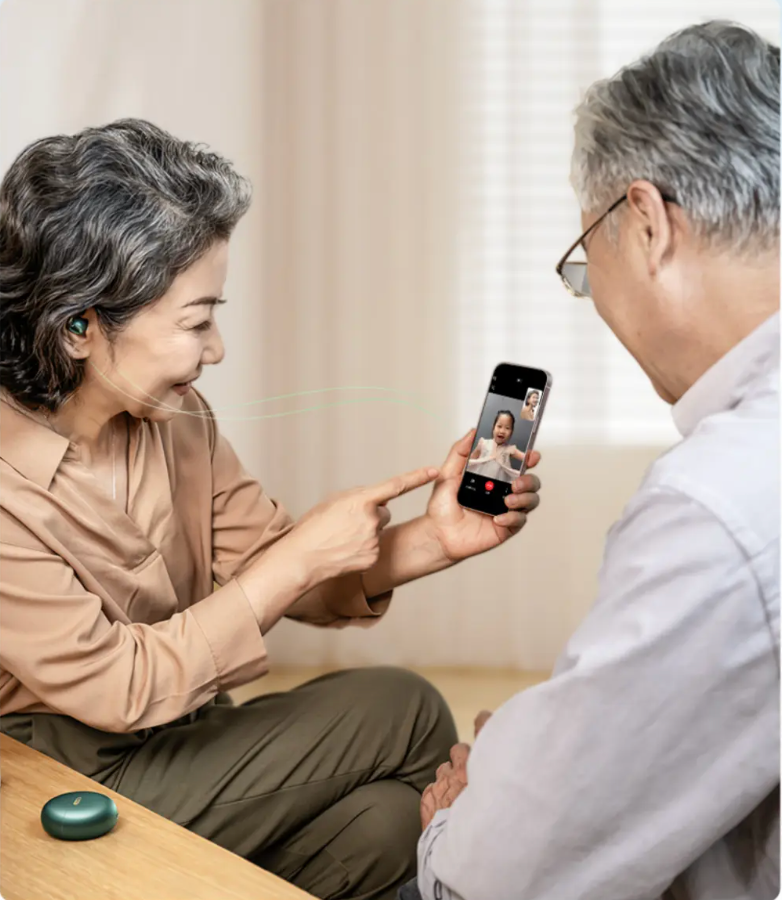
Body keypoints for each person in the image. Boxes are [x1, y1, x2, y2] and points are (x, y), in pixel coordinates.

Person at [0, 119, 544, 900]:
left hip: (179, 744)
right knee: (409, 708)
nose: (216, 349)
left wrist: (438, 537)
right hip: (56, 779)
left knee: (391, 825)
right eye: (196, 321)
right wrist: (297, 557)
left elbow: (286, 578)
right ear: (80, 325)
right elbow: (118, 686)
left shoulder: (178, 420)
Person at [409, 20, 780, 900]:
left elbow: (498, 880)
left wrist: (465, 817)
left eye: (584, 266)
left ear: (645, 222)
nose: (594, 301)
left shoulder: (720, 505)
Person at [465, 411, 525, 480]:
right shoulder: (483, 443)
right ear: (493, 427)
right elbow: (471, 460)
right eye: (499, 426)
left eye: (507, 428)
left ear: (511, 432)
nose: (502, 431)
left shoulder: (510, 449)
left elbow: (526, 458)